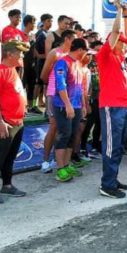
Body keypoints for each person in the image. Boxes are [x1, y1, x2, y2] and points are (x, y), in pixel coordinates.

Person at [0, 40, 30, 204]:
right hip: (5, 122)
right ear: (10, 54)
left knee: (11, 156)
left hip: (18, 121)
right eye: (20, 53)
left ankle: (7, 184)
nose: (22, 56)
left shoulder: (13, 70)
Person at [97, 0, 127, 199]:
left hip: (123, 106)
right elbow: (117, 31)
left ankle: (113, 178)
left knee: (118, 146)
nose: (126, 45)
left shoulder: (121, 59)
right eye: (122, 42)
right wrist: (119, 11)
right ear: (113, 41)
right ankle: (107, 185)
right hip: (112, 106)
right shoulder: (105, 55)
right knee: (111, 146)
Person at [39, 29, 76, 173]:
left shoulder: (71, 56)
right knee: (54, 127)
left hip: (69, 96)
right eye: (73, 39)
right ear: (67, 39)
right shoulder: (55, 53)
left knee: (65, 129)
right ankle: (45, 161)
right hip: (54, 94)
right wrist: (55, 85)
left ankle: (59, 160)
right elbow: (43, 75)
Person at [52, 38, 88, 182]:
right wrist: (67, 105)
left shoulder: (78, 64)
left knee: (72, 135)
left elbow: (80, 87)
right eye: (85, 51)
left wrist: (83, 105)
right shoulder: (62, 62)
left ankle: (66, 164)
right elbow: (61, 85)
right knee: (64, 134)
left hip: (77, 105)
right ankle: (60, 169)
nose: (86, 54)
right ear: (80, 50)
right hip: (63, 105)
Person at [33, 14, 53, 108]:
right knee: (38, 83)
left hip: (47, 61)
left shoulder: (49, 33)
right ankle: (32, 105)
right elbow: (34, 47)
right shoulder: (40, 33)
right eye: (49, 21)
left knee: (44, 83)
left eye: (52, 21)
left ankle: (41, 101)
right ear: (44, 21)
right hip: (40, 62)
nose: (51, 23)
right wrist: (40, 56)